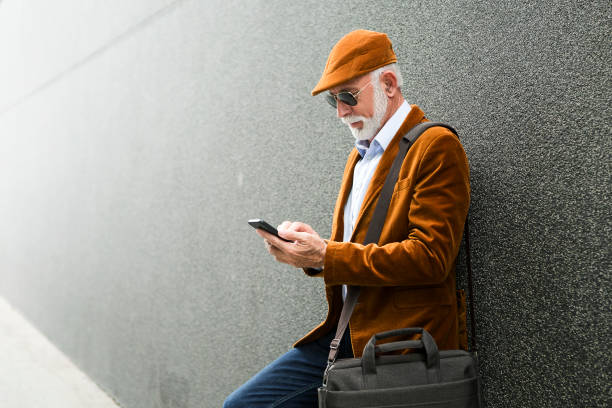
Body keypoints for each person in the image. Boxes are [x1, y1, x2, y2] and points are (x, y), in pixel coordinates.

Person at [224, 29, 470, 408]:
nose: (340, 111)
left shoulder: (435, 146)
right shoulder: (359, 157)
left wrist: (327, 256)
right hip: (346, 335)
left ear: (388, 84)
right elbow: (358, 251)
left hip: (400, 346)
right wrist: (309, 253)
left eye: (348, 96)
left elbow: (431, 258)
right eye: (332, 101)